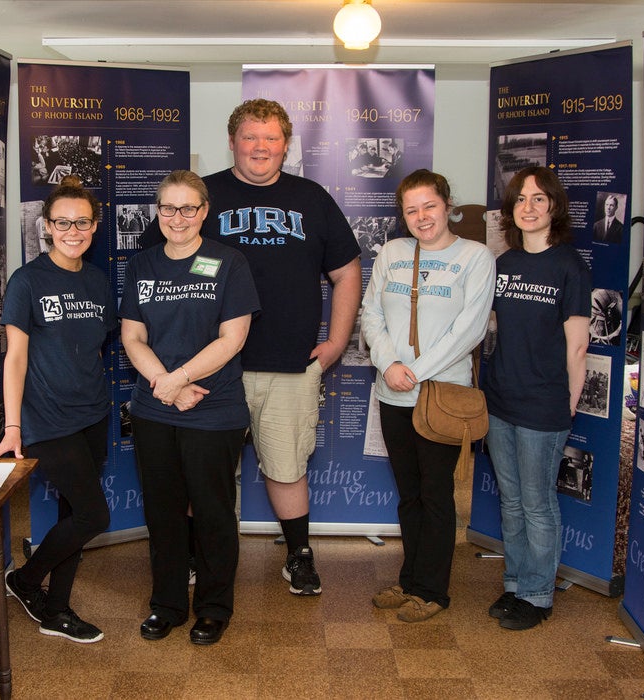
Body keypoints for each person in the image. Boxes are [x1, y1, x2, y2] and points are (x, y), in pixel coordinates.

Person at [141, 98, 362, 597]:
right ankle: (199, 555)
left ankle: (298, 556)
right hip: (209, 368)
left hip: (287, 363)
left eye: (271, 138)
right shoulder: (203, 196)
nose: (260, 147)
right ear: (233, 141)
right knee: (204, 474)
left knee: (286, 466)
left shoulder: (312, 198)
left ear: (286, 145)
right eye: (250, 136)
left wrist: (337, 341)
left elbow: (347, 272)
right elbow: (155, 269)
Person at [122, 169, 259, 645]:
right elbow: (132, 336)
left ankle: (214, 607)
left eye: (187, 208)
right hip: (155, 408)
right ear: (157, 212)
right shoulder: (141, 266)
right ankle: (168, 604)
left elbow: (233, 338)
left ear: (203, 211)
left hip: (214, 410)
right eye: (167, 208)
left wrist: (180, 378)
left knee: (213, 511)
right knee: (163, 513)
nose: (177, 218)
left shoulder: (229, 262)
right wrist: (166, 384)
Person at [0, 175, 115, 644]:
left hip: (93, 414)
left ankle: (57, 609)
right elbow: (14, 358)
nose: (72, 231)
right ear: (47, 227)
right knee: (94, 516)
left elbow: (94, 348)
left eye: (82, 222)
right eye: (62, 222)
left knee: (73, 513)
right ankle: (27, 580)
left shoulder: (97, 280)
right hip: (46, 419)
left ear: (94, 226)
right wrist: (13, 426)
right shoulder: (27, 281)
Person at [361, 169, 495, 623]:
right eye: (411, 209)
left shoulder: (475, 257)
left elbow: (469, 329)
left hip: (441, 395)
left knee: (437, 495)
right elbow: (371, 313)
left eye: (429, 206)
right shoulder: (394, 253)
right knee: (409, 495)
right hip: (392, 393)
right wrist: (389, 365)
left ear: (447, 204)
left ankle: (433, 591)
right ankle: (411, 580)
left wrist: (414, 371)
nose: (421, 217)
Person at [481, 166, 590, 631]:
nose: (528, 207)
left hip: (544, 404)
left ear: (554, 208)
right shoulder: (503, 266)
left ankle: (538, 594)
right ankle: (515, 584)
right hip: (501, 399)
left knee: (538, 503)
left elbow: (578, 344)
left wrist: (571, 400)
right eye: (521, 199)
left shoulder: (569, 266)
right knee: (510, 500)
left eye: (539, 199)